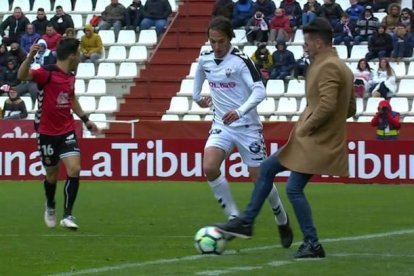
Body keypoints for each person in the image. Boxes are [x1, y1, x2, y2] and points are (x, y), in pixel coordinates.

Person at [215, 17, 356, 259]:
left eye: (308, 43)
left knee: (292, 188)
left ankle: (311, 242)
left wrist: (307, 127)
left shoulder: (328, 67)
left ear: (319, 43)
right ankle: (247, 222)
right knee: (268, 168)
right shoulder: (340, 66)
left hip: (315, 141)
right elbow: (350, 108)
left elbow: (328, 104)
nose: (305, 47)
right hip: (317, 139)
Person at [192, 16, 293, 248]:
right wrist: (197, 98)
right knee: (209, 166)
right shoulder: (205, 59)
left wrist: (239, 111)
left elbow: (259, 92)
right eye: (212, 41)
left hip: (247, 127)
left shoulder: (241, 61)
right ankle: (236, 219)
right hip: (221, 125)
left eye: (221, 42)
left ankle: (281, 218)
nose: (216, 47)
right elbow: (198, 81)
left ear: (229, 40)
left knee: (260, 179)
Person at [17, 38, 98, 230]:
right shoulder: (47, 72)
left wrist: (86, 120)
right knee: (52, 175)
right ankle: (50, 204)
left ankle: (68, 215)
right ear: (72, 55)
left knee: (75, 168)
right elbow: (22, 76)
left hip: (67, 129)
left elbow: (71, 98)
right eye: (78, 52)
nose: (79, 56)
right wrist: (30, 56)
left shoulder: (70, 76)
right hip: (46, 132)